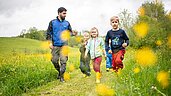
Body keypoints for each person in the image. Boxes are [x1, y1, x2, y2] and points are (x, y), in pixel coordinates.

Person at [46, 7, 77, 82]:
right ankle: (60, 72)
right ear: (59, 13)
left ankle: (62, 77)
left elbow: (69, 32)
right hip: (55, 45)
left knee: (63, 61)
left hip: (64, 45)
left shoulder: (67, 23)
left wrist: (73, 33)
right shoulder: (52, 22)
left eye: (66, 13)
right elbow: (48, 34)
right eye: (64, 13)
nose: (65, 15)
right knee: (54, 60)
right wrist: (50, 43)